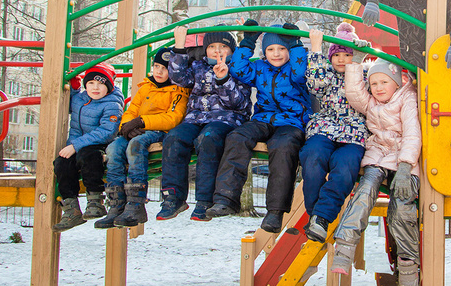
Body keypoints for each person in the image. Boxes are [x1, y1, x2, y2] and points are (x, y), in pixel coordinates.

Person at [321, 59, 422, 286]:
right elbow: (354, 93)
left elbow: (412, 133)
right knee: (365, 191)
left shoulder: (407, 99)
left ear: (397, 82)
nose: (378, 88)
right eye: (374, 83)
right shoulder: (373, 102)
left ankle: (408, 269)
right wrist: (355, 62)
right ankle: (345, 247)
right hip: (378, 156)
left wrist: (406, 166)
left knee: (402, 207)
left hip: (403, 160)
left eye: (384, 82)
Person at [215, 29, 311, 230]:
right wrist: (248, 42)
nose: (276, 53)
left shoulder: (295, 68)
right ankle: (226, 198)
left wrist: (296, 46)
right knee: (237, 136)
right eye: (270, 49)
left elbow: (302, 72)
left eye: (282, 49)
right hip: (263, 118)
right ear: (264, 52)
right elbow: (238, 69)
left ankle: (275, 212)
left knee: (283, 147)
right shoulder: (259, 68)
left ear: (289, 51)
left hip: (291, 122)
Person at [156, 32, 253, 220]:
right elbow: (178, 77)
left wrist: (223, 79)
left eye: (223, 47)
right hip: (196, 118)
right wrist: (178, 46)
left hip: (227, 118)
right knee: (174, 138)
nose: (217, 51)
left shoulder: (239, 68)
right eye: (211, 47)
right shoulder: (198, 67)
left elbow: (238, 104)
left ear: (232, 50)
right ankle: (173, 196)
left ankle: (204, 199)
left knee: (208, 139)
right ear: (205, 50)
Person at [298, 26, 373, 244]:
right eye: (337, 55)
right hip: (325, 127)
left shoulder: (364, 74)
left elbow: (369, 88)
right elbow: (315, 84)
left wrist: (357, 64)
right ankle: (317, 216)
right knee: (312, 155)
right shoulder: (326, 74)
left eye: (347, 55)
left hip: (353, 133)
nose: (341, 60)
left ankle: (321, 217)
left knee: (346, 165)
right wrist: (315, 48)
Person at [97, 55, 187, 230]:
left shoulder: (178, 90)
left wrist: (141, 122)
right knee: (114, 148)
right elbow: (131, 111)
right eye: (156, 66)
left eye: (165, 68)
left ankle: (136, 203)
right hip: (138, 129)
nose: (159, 71)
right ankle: (117, 203)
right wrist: (126, 127)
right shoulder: (146, 87)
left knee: (135, 146)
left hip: (158, 131)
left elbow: (173, 118)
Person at [48, 67, 123, 232]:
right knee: (61, 163)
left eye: (100, 84)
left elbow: (108, 131)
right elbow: (66, 102)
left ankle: (96, 201)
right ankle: (71, 210)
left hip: (100, 143)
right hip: (77, 145)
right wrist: (73, 88)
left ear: (109, 87)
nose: (95, 88)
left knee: (89, 156)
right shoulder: (80, 99)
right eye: (91, 83)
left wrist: (75, 145)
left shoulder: (112, 103)